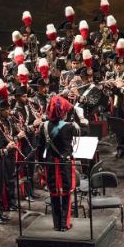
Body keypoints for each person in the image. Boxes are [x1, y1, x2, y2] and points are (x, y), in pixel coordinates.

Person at [37, 95, 80, 231]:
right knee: (66, 194)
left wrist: (41, 164)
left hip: (50, 164)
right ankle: (64, 224)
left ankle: (56, 224)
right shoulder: (69, 127)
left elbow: (40, 148)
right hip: (65, 164)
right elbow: (85, 129)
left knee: (54, 194)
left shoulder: (43, 127)